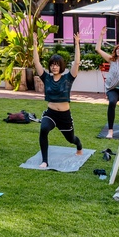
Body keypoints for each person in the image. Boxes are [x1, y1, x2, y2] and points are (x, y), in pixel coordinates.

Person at [34, 33, 83, 168]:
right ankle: (45, 161)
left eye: (56, 65)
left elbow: (77, 63)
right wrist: (34, 45)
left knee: (71, 139)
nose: (54, 67)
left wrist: (77, 43)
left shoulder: (68, 78)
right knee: (43, 129)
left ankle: (79, 145)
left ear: (61, 66)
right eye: (52, 65)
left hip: (64, 116)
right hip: (50, 113)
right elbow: (36, 63)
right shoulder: (46, 78)